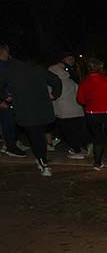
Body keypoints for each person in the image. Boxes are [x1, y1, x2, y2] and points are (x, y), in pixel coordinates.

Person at [0, 43, 62, 176]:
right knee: (39, 136)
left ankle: (43, 163)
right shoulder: (38, 68)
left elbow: (1, 87)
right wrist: (54, 94)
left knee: (36, 138)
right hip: (42, 110)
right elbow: (56, 81)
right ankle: (42, 161)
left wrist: (6, 97)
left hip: (26, 111)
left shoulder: (10, 71)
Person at [49, 51, 91, 159]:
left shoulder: (68, 73)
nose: (72, 61)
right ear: (63, 59)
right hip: (70, 107)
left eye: (73, 58)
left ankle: (78, 150)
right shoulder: (66, 73)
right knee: (73, 130)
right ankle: (80, 148)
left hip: (66, 107)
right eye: (70, 58)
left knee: (70, 131)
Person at [0, 44, 25, 158]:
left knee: (14, 123)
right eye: (6, 51)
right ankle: (10, 147)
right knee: (8, 124)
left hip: (12, 99)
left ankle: (12, 144)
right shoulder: (2, 65)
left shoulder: (8, 64)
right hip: (5, 101)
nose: (8, 53)